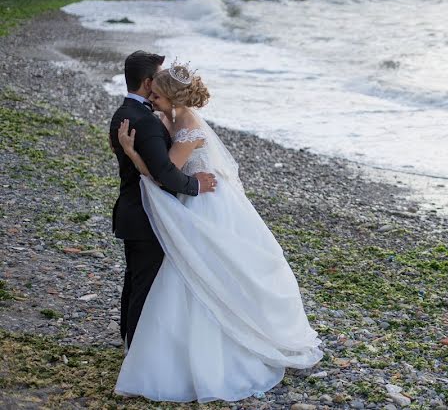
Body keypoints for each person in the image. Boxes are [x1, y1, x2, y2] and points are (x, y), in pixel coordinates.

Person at [113, 61, 322, 402]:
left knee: (200, 274)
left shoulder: (188, 127)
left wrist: (132, 152)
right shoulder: (172, 117)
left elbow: (162, 175)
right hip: (200, 198)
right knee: (195, 273)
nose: (151, 97)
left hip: (206, 204)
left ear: (171, 98)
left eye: (157, 94)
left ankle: (208, 353)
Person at [109, 51, 217, 350]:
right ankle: (137, 349)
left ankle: (132, 343)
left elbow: (160, 171)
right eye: (155, 82)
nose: (156, 90)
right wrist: (195, 186)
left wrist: (132, 154)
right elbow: (164, 174)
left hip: (138, 211)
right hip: (146, 214)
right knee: (143, 284)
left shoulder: (126, 113)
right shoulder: (147, 120)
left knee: (137, 281)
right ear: (147, 82)